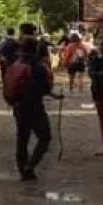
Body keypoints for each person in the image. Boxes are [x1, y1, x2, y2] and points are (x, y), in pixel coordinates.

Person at [4, 24, 61, 181]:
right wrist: (52, 93)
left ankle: (23, 169)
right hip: (34, 105)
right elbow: (44, 86)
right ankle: (30, 165)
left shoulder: (16, 62)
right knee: (45, 137)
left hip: (17, 104)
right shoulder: (38, 66)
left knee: (22, 137)